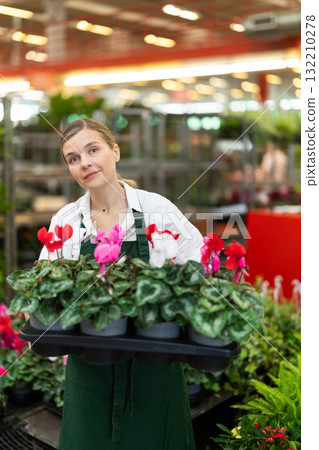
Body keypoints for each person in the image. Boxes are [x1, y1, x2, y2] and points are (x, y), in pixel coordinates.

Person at [38, 118, 204, 450]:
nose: (85, 162)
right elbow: (45, 292)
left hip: (155, 372)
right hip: (89, 376)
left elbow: (199, 275)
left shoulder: (157, 210)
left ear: (115, 152)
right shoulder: (67, 221)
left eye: (93, 150)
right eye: (73, 158)